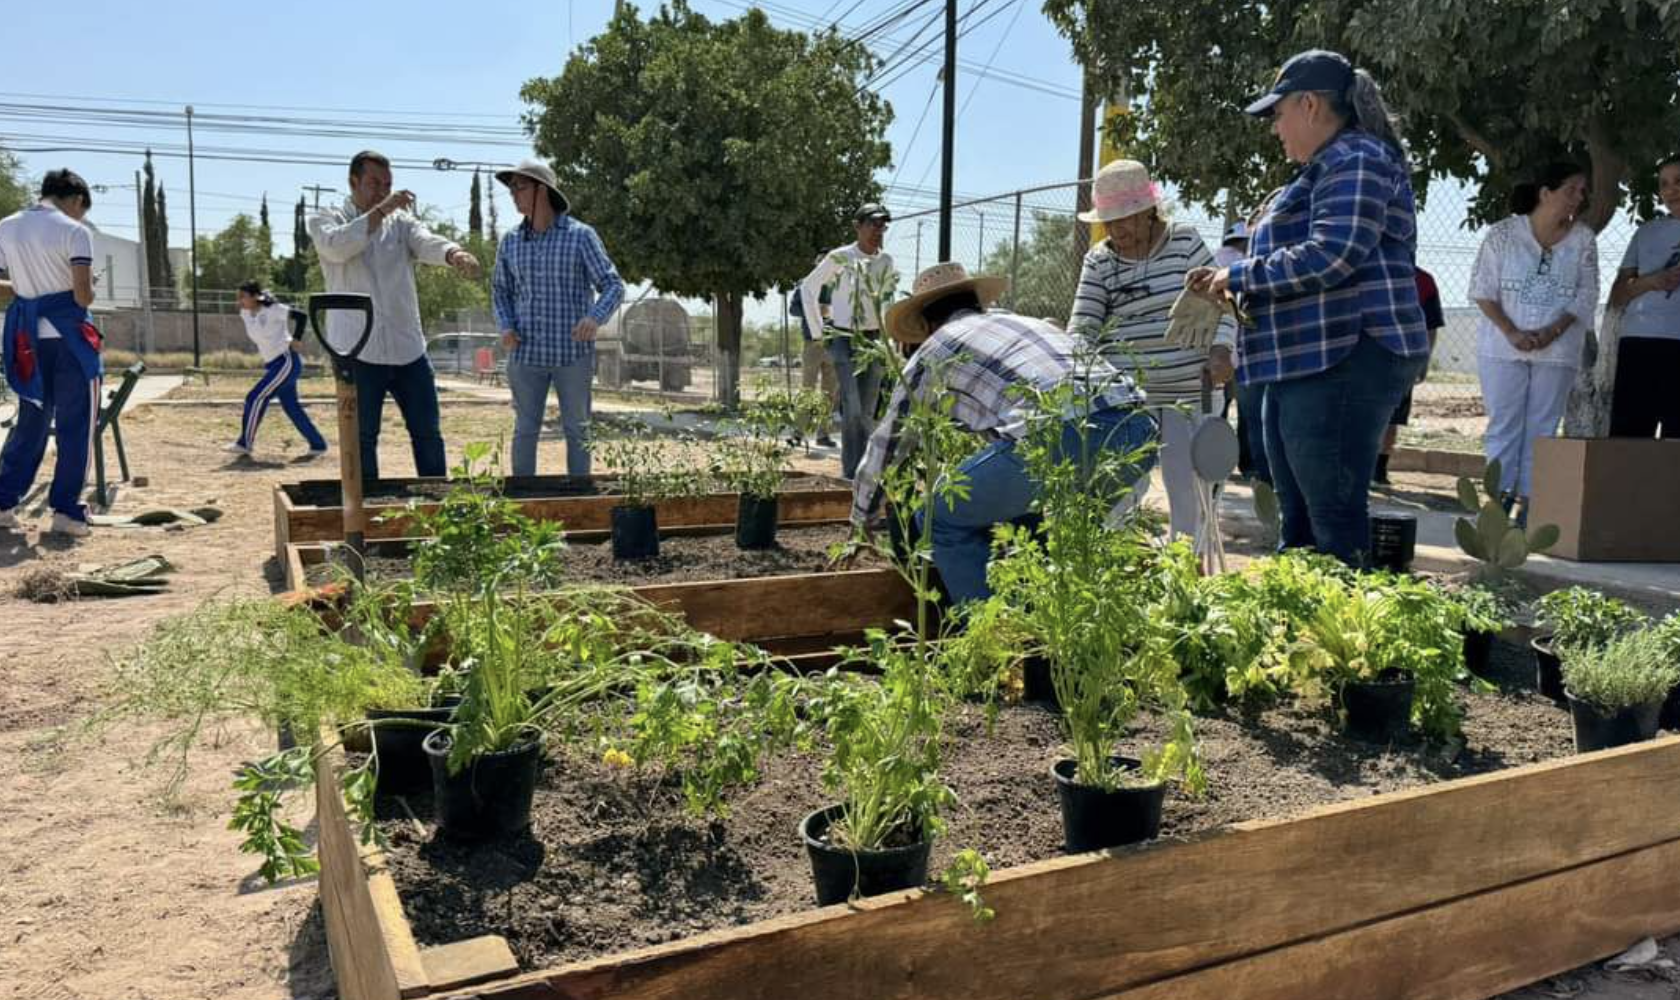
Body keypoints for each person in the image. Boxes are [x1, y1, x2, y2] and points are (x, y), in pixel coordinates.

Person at [1187, 49, 1431, 566]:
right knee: (1297, 519)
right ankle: (1302, 636)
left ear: (1311, 105)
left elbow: (1332, 254)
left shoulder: (1356, 158)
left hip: (1348, 354)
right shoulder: (1320, 169)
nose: (1276, 128)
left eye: (1278, 114)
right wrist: (1235, 284)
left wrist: (1238, 274)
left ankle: (1347, 637)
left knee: (1332, 523)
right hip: (1307, 359)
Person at [851, 262, 1156, 605]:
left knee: (938, 520)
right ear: (976, 304)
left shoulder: (933, 351)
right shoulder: (1025, 323)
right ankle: (1048, 635)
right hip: (1137, 428)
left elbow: (887, 444)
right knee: (1059, 538)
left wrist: (862, 517)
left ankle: (992, 637)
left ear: (926, 324)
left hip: (1060, 434)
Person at [1068, 159, 1236, 541]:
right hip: (1127, 398)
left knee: (1189, 490)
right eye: (1109, 221)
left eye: (1126, 217)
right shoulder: (1099, 261)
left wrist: (1222, 350)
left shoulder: (1185, 242)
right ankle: (1123, 572)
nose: (1118, 229)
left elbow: (1224, 300)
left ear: (1149, 211)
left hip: (1190, 391)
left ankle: (1188, 579)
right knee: (1119, 493)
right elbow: (1082, 329)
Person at [307, 150, 481, 483]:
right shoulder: (327, 218)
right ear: (353, 181)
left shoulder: (400, 222)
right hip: (357, 351)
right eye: (374, 183)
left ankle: (437, 510)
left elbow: (425, 241)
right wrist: (381, 210)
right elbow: (336, 247)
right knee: (362, 439)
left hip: (408, 349)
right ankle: (365, 515)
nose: (382, 191)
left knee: (428, 433)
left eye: (387, 184)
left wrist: (453, 253)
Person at [1468, 162, 1597, 515]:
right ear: (1545, 193)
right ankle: (1496, 503)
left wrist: (1551, 331)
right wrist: (1511, 330)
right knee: (1504, 424)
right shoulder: (1503, 234)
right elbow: (1482, 290)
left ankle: (1530, 507)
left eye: (1582, 191)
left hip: (1558, 351)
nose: (1579, 197)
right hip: (1501, 348)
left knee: (1542, 427)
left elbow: (1586, 295)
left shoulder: (1583, 238)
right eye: (1571, 189)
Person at [491, 159, 624, 478]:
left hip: (572, 355)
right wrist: (506, 326)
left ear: (542, 190)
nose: (513, 194)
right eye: (511, 188)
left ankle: (579, 496)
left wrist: (595, 318)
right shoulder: (510, 242)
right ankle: (523, 500)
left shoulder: (581, 237)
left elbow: (613, 285)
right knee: (525, 429)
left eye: (519, 187)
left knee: (578, 430)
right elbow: (499, 290)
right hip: (525, 355)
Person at [0, 169, 102, 537]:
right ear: (76, 200)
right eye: (82, 209)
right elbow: (82, 296)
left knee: (30, 422)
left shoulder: (7, 226)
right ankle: (66, 512)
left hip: (27, 338)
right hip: (70, 339)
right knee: (77, 426)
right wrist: (90, 286)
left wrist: (29, 291)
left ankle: (3, 501)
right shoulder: (75, 231)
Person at [800, 203, 896, 478]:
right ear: (858, 226)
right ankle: (851, 472)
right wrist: (819, 333)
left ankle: (863, 472)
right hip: (843, 338)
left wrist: (890, 341)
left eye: (883, 225)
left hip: (874, 341)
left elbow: (887, 300)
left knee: (867, 411)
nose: (878, 230)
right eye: (873, 224)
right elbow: (809, 287)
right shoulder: (841, 257)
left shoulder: (886, 261)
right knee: (852, 407)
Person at [1606, 155, 1680, 438]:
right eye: (1664, 184)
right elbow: (1618, 295)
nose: (1671, 190)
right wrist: (1651, 282)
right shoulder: (1647, 232)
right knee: (1630, 441)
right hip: (1639, 345)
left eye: (1678, 181)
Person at [226, 280, 328, 458]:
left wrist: (296, 338)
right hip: (274, 365)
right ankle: (318, 444)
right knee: (291, 407)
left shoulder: (274, 309)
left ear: (255, 297)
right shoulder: (245, 313)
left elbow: (301, 316)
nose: (239, 301)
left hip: (286, 362)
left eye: (242, 296)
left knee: (255, 397)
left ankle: (244, 443)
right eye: (238, 297)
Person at [1373, 266, 1445, 484]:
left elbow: (1430, 326)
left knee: (1392, 417)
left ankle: (1379, 469)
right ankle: (1369, 470)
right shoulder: (1369, 271)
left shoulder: (1423, 280)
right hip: (1371, 358)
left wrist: (1423, 360)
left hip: (1401, 359)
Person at [789, 256, 837, 448]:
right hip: (812, 343)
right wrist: (816, 309)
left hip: (834, 344)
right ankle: (798, 432)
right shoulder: (806, 285)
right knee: (807, 390)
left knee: (829, 393)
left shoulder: (839, 286)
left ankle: (823, 434)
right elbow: (793, 309)